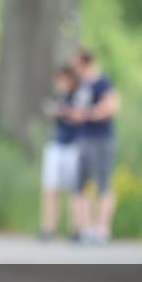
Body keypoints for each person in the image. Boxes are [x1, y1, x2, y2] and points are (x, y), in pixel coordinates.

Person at [69, 47, 120, 243]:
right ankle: (86, 228)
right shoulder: (80, 86)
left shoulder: (102, 82)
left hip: (101, 139)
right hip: (83, 139)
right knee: (80, 185)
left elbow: (112, 107)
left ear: (84, 62)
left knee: (103, 183)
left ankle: (103, 229)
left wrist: (87, 114)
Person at [39, 66, 80, 241]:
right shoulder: (56, 96)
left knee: (74, 189)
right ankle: (48, 227)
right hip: (57, 145)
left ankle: (75, 228)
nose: (60, 84)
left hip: (73, 146)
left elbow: (80, 116)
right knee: (50, 188)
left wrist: (67, 111)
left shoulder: (78, 96)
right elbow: (49, 111)